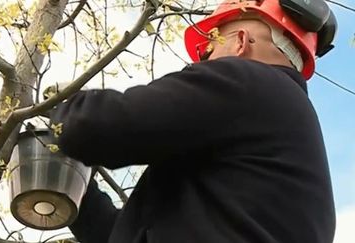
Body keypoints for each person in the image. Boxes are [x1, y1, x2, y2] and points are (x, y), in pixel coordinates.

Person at [49, 0, 337, 242]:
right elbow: (125, 235)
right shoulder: (286, 140)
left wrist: (59, 109)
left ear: (239, 43)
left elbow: (95, 127)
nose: (203, 63)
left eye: (208, 50)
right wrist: (81, 194)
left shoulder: (248, 82)